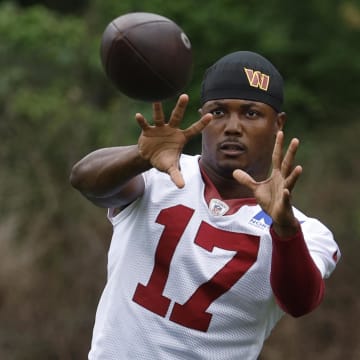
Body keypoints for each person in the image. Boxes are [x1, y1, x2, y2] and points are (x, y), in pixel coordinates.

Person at [70, 51, 340, 360]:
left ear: (277, 124)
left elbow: (300, 302)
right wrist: (139, 157)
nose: (233, 126)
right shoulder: (158, 175)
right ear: (202, 118)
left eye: (251, 113)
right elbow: (84, 180)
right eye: (219, 112)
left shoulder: (305, 230)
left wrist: (285, 228)